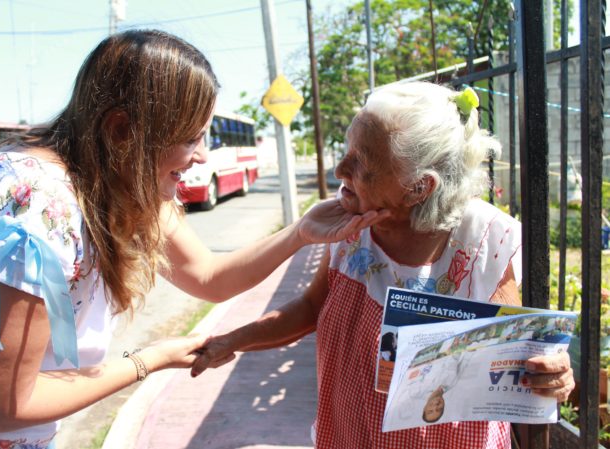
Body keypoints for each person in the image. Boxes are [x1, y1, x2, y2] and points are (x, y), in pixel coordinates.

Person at [0, 30, 388, 448]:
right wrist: (146, 361)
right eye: (191, 138)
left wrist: (301, 232)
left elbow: (208, 276)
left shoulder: (119, 181)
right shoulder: (41, 206)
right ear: (121, 132)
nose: (202, 156)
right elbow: (5, 403)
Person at [192, 82, 575, 448]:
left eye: (361, 162)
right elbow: (311, 308)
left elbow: (519, 358)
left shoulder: (483, 243)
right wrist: (233, 340)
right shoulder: (348, 227)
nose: (340, 170)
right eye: (347, 151)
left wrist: (551, 376)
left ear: (419, 187)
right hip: (348, 433)